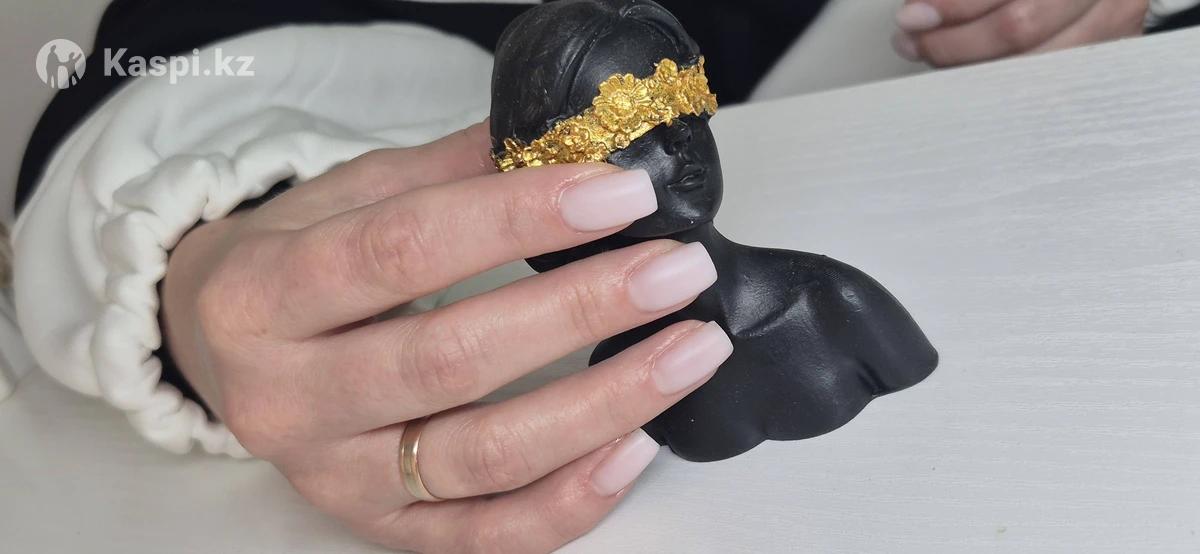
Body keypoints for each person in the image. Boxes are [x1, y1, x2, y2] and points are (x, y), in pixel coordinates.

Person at [7, 0, 1197, 551]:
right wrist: (217, 246)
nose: (664, 172)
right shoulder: (606, 352)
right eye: (620, 147)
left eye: (671, 138)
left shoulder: (818, 295)